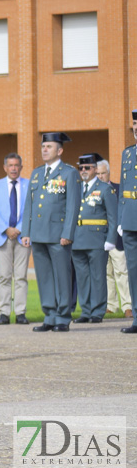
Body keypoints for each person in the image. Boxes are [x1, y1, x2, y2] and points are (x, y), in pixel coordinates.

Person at [21, 132, 80, 332]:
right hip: (38, 234)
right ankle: (50, 315)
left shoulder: (69, 173)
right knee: (44, 276)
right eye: (43, 146)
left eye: (49, 147)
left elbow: (73, 206)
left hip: (58, 234)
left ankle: (63, 316)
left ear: (60, 150)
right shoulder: (36, 173)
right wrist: (26, 232)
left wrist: (68, 233)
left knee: (62, 275)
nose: (44, 150)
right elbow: (29, 205)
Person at [71, 153, 116, 324]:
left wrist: (110, 239)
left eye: (87, 168)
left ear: (95, 169)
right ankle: (86, 310)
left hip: (97, 239)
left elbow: (113, 216)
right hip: (77, 238)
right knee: (82, 277)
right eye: (80, 168)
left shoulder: (105, 189)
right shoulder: (75, 188)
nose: (83, 171)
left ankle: (97, 311)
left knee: (98, 276)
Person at [0, 154, 31, 325]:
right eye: (10, 165)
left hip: (23, 236)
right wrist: (6, 229)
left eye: (16, 165)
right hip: (1, 236)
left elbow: (31, 209)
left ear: (21, 167)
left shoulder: (28, 185)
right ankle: (4, 312)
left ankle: (20, 312)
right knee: (4, 276)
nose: (13, 168)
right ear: (5, 167)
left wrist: (19, 228)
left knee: (21, 276)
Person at [97, 159, 131, 317]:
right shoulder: (91, 191)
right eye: (97, 174)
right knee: (106, 273)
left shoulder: (118, 189)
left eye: (103, 173)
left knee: (122, 272)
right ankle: (111, 304)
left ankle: (127, 306)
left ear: (109, 173)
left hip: (117, 239)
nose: (100, 176)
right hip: (98, 239)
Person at [119, 111, 137, 333]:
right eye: (134, 123)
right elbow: (124, 188)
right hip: (131, 218)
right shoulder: (128, 154)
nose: (136, 127)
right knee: (133, 269)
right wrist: (121, 217)